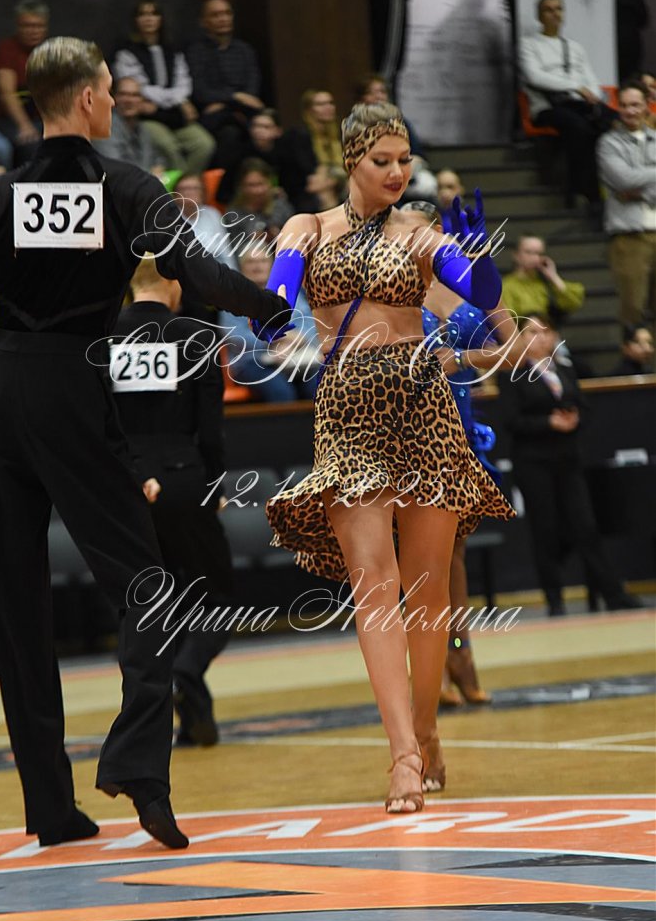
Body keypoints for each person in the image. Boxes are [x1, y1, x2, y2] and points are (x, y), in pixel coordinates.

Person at [0, 36, 291, 850]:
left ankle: (51, 807)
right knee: (148, 585)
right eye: (107, 88)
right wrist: (269, 308)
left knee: (16, 607)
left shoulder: (0, 192)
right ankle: (138, 765)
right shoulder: (126, 185)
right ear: (91, 99)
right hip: (70, 388)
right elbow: (200, 274)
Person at [260, 102, 514, 811]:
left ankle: (426, 728)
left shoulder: (420, 233)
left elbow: (480, 293)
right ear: (352, 160)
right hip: (348, 410)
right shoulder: (307, 228)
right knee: (375, 583)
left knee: (428, 593)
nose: (398, 172)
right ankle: (402, 754)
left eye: (405, 160)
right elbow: (272, 303)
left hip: (424, 402)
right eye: (383, 161)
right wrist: (273, 311)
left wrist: (479, 261)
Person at [110, 255, 235, 746]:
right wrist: (215, 485)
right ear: (173, 286)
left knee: (158, 602)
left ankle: (196, 721)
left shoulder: (105, 337)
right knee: (218, 598)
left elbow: (100, 420)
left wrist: (130, 474)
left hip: (127, 485)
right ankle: (185, 671)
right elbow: (211, 428)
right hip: (185, 478)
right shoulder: (195, 335)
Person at [402, 200, 521, 706]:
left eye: (416, 231)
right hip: (412, 436)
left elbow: (516, 349)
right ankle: (438, 663)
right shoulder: (393, 290)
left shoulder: (469, 284)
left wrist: (464, 358)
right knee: (422, 559)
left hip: (461, 435)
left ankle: (456, 653)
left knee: (453, 554)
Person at [498, 314, 642, 617]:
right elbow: (511, 420)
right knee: (545, 531)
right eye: (531, 333)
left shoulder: (565, 368)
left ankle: (613, 594)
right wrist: (547, 422)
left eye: (545, 332)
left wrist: (574, 419)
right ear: (520, 339)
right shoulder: (513, 373)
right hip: (533, 462)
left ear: (554, 337)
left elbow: (585, 406)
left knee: (586, 526)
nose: (540, 338)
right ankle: (555, 600)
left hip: (568, 459)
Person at [519, 0, 616, 210]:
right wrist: (575, 87)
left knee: (615, 121)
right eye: (549, 10)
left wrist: (592, 95)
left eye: (559, 9)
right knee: (580, 128)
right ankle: (582, 192)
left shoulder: (575, 47)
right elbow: (535, 77)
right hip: (547, 108)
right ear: (539, 16)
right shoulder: (529, 45)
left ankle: (612, 188)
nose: (555, 14)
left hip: (579, 105)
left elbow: (591, 79)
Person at [113, 0, 215, 175]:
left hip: (173, 115)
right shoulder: (127, 52)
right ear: (136, 20)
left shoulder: (172, 50)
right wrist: (177, 101)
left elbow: (183, 83)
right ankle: (181, 189)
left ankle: (189, 186)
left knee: (204, 144)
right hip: (147, 117)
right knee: (168, 146)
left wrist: (177, 101)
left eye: (153, 14)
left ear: (161, 19)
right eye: (143, 14)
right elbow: (140, 87)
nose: (148, 19)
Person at [596, 80, 656, 347]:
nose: (629, 111)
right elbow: (623, 181)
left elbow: (632, 183)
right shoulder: (608, 143)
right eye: (624, 105)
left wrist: (638, 188)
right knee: (633, 309)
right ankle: (636, 365)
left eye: (635, 105)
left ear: (646, 106)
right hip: (629, 237)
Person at [218, 248, 320, 403]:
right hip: (252, 362)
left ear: (272, 265)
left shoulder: (287, 291)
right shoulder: (234, 296)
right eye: (251, 262)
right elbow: (236, 336)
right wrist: (275, 339)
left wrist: (298, 338)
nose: (257, 266)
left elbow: (309, 325)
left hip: (296, 357)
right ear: (241, 267)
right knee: (281, 392)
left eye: (263, 261)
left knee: (317, 384)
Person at [186, 0, 263, 167]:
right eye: (216, 15)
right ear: (203, 22)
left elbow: (252, 92)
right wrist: (236, 96)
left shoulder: (244, 50)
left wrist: (225, 102)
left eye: (227, 13)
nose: (223, 19)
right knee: (230, 133)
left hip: (243, 112)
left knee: (265, 126)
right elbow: (200, 92)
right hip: (213, 119)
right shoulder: (196, 51)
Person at [355, 74, 437, 202]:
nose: (378, 96)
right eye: (372, 93)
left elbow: (418, 154)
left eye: (382, 92)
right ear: (361, 98)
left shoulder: (401, 122)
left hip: (404, 173)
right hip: (374, 175)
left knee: (428, 185)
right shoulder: (356, 126)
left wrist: (410, 163)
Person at [0, 0, 49, 164]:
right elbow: (6, 93)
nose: (33, 31)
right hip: (7, 120)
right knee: (31, 146)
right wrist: (24, 125)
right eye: (27, 26)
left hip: (42, 120)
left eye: (38, 26)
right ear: (18, 26)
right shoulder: (7, 49)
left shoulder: (50, 51)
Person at [279, 90, 346, 214]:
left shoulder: (339, 134)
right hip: (305, 189)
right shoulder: (299, 135)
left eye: (330, 103)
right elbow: (307, 172)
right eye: (320, 104)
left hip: (334, 182)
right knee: (325, 191)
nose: (328, 107)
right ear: (309, 110)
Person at [501, 233, 585, 323]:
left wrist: (553, 277)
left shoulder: (547, 283)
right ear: (516, 255)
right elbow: (504, 320)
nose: (534, 257)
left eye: (539, 253)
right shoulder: (506, 286)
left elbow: (573, 303)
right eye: (528, 252)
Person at [226, 157, 293, 257]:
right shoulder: (233, 214)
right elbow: (232, 249)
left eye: (260, 184)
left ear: (270, 183)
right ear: (241, 187)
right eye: (251, 185)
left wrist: (278, 236)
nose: (257, 191)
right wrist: (252, 239)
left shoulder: (281, 206)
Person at [92, 77, 162, 172]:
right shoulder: (104, 127)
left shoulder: (143, 130)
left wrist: (159, 168)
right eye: (123, 94)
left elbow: (156, 159)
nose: (129, 100)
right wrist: (151, 174)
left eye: (135, 95)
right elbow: (116, 169)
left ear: (142, 101)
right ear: (114, 98)